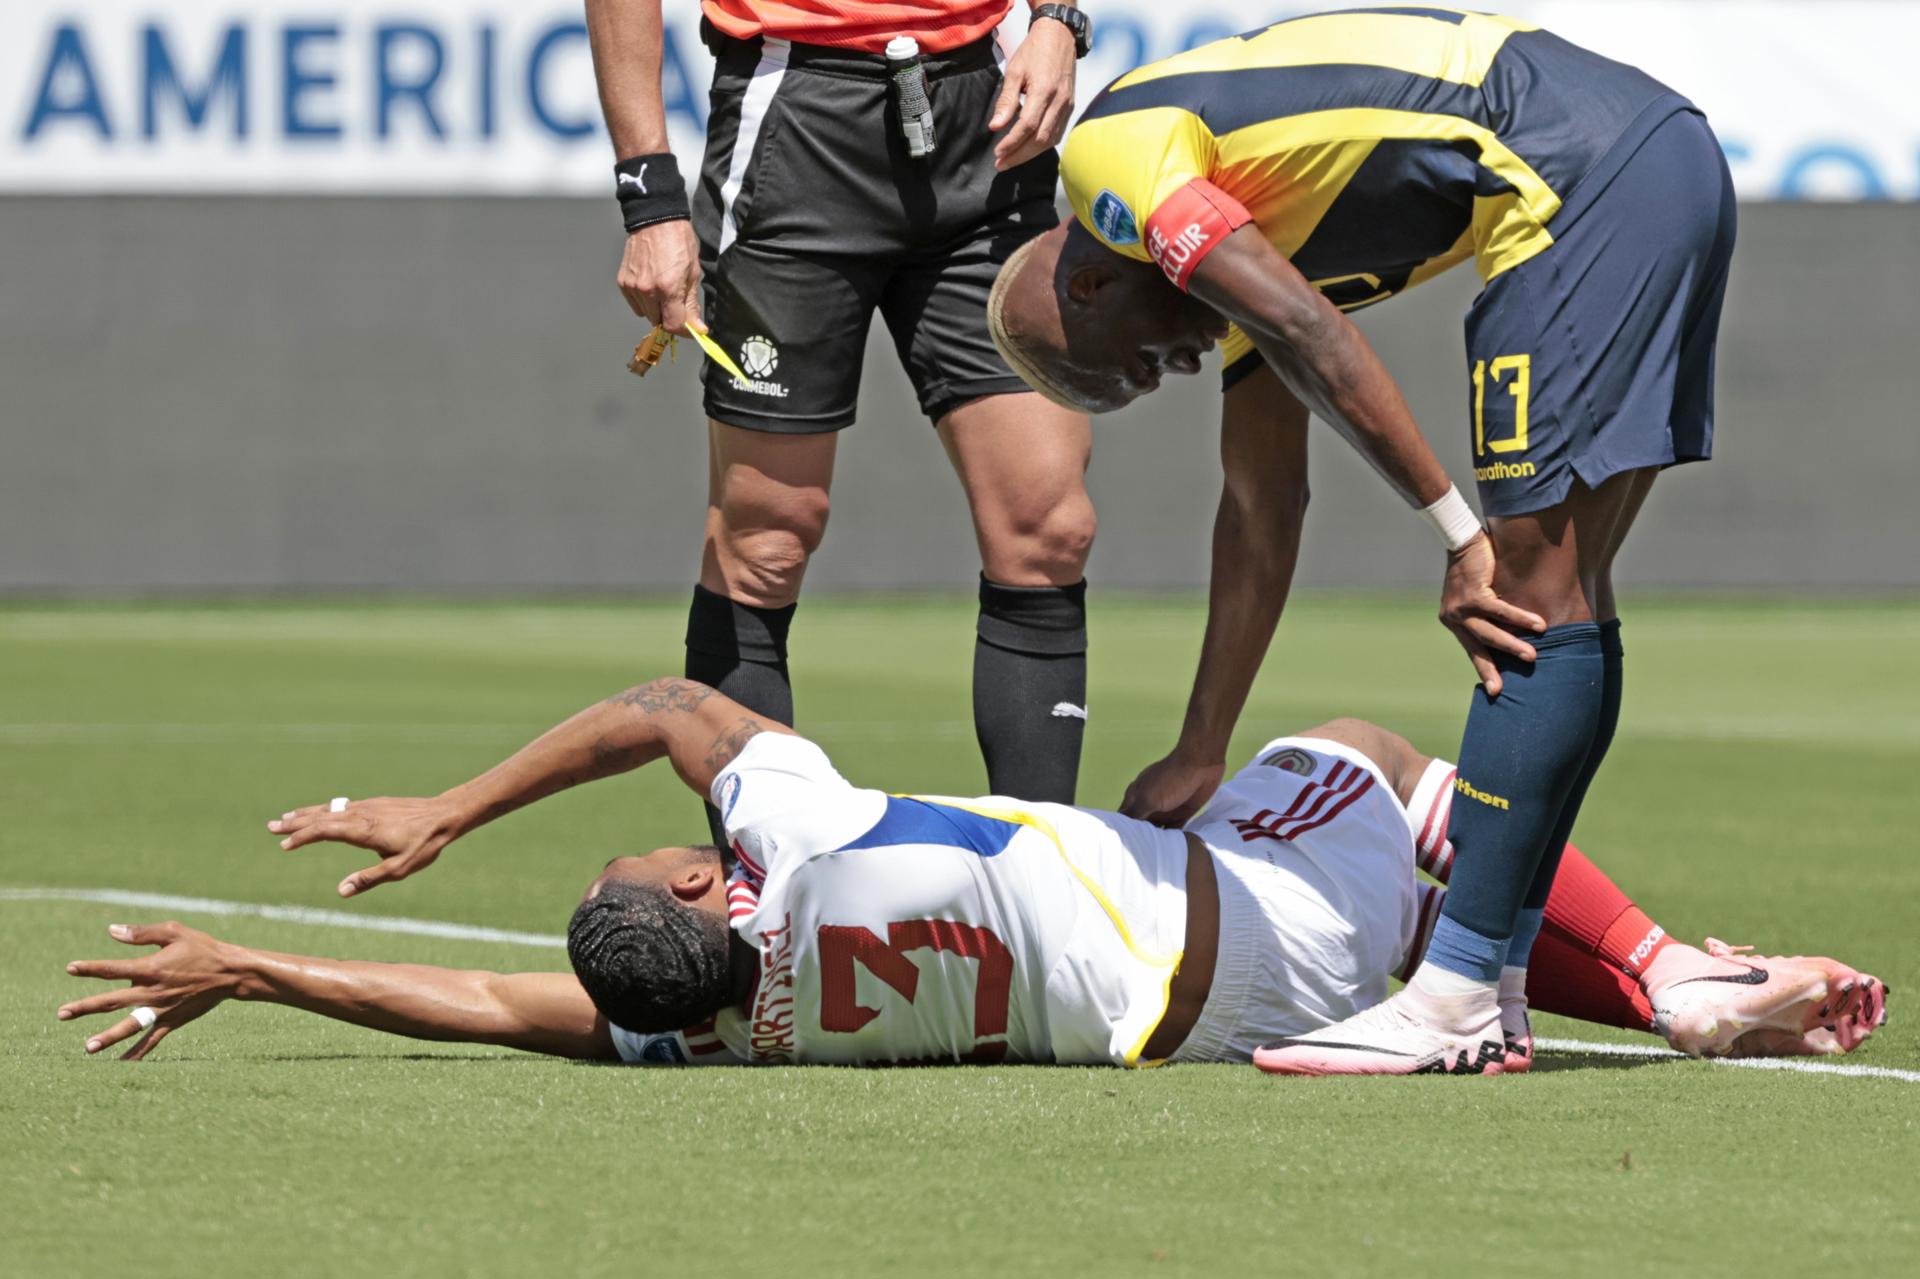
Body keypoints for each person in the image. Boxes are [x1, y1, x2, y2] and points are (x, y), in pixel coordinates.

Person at [985, 7, 1739, 1072]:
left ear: (1095, 282)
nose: (1178, 370)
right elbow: (1261, 505)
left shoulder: (1115, 164)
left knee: (1517, 585)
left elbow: (1309, 330)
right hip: (1659, 156)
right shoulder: (1238, 234)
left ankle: (1455, 995)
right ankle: (1500, 983)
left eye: (1141, 365)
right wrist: (1206, 743)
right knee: (1568, 595)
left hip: (1576, 173)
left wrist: (1455, 531)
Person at [59, 680, 1883, 1070]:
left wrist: (265, 969)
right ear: (709, 889)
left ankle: (1640, 982)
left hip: (1205, 1006)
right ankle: (1669, 977)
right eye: (668, 859)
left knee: (1314, 842)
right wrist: (448, 806)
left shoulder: (722, 1034)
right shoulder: (811, 839)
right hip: (1247, 918)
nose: (675, 849)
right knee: (1373, 757)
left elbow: (483, 1007)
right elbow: (669, 701)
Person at [587, 0, 1100, 831]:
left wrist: (1057, 19)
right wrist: (650, 198)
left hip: (986, 110)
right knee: (767, 536)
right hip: (797, 113)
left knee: (1048, 525)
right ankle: (762, 901)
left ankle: (1039, 897)